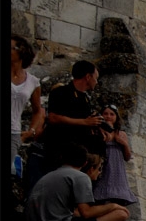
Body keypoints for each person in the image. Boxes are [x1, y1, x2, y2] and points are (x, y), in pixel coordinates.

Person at [24, 143, 129, 221]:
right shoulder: (80, 177)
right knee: (121, 214)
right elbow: (86, 212)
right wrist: (112, 206)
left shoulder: (49, 175)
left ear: (62, 158)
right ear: (85, 163)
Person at [38, 60, 104, 189]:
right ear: (88, 76)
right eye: (95, 78)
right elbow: (53, 118)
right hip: (60, 148)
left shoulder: (85, 99)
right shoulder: (61, 92)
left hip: (78, 150)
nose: (96, 82)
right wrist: (84, 122)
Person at [92, 105, 137, 206]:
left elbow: (127, 157)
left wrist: (123, 143)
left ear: (116, 117)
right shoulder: (97, 131)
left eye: (112, 114)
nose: (108, 116)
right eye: (105, 114)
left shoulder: (121, 134)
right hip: (103, 162)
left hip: (116, 165)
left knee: (117, 198)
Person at [11, 34, 44, 177]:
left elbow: (38, 110)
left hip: (13, 132)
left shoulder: (33, 82)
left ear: (21, 51)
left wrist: (31, 131)